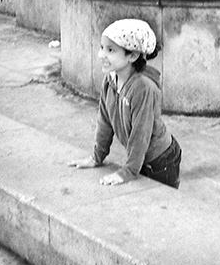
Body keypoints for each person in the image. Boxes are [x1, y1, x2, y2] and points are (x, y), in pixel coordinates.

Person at [68, 19, 181, 189]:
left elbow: (140, 133)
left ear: (133, 56)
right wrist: (96, 157)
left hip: (161, 160)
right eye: (101, 48)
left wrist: (128, 171)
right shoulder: (110, 79)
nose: (101, 55)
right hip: (140, 158)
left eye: (111, 50)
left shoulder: (144, 88)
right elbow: (104, 121)